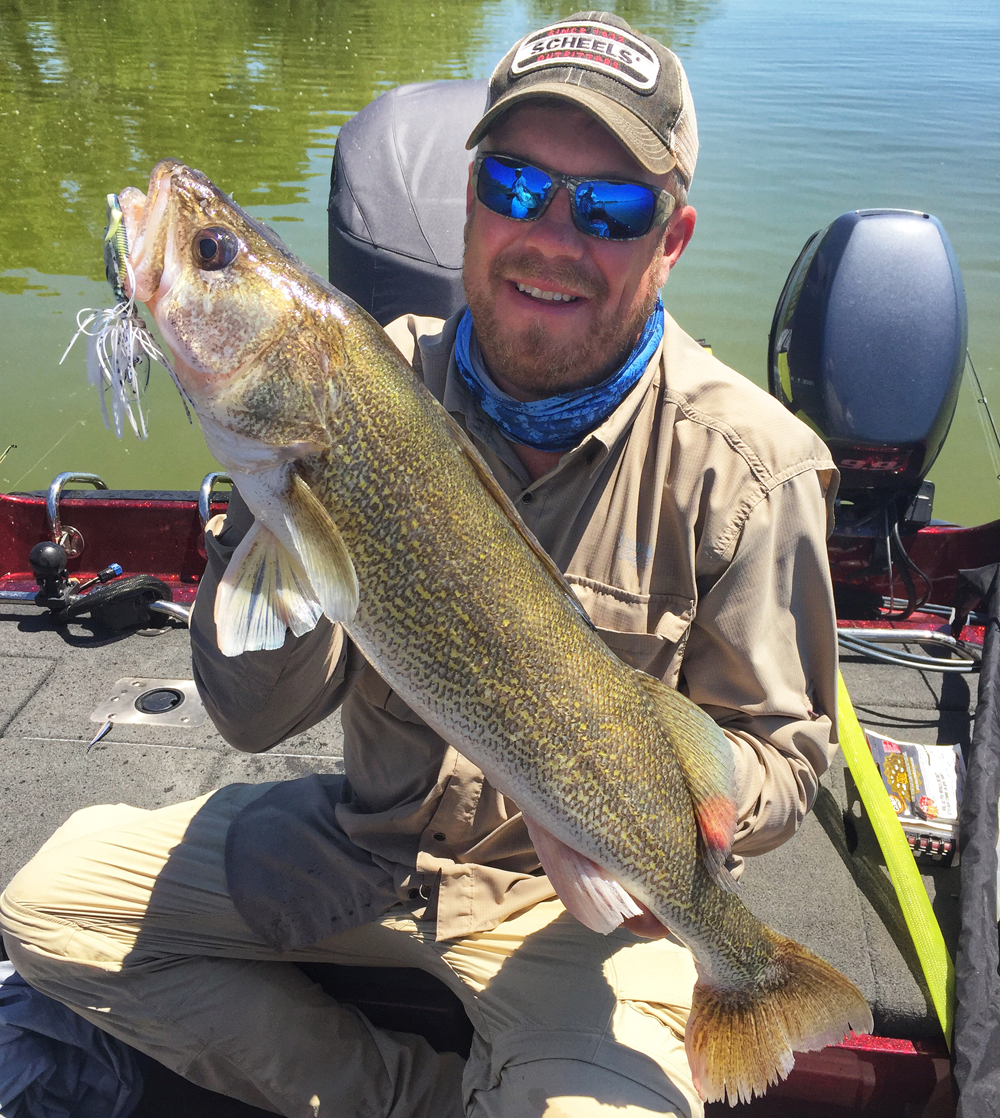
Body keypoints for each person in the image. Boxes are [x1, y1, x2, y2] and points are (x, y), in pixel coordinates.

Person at [0, 12, 840, 1118]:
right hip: (363, 851)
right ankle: (406, 1097)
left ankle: (727, 980)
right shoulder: (375, 378)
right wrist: (282, 513)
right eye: (514, 185)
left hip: (566, 914)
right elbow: (252, 719)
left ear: (670, 240)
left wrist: (692, 802)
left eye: (610, 207)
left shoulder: (755, 466)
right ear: (468, 201)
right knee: (47, 908)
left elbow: (783, 752)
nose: (551, 232)